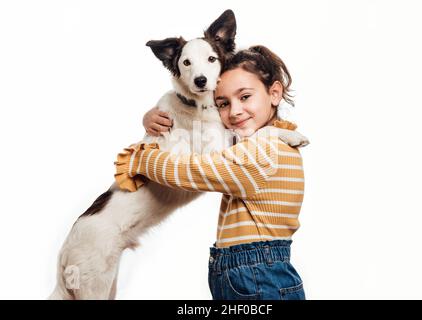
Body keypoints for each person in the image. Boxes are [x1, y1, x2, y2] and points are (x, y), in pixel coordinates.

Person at [115, 45, 308, 300]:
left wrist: (142, 157)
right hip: (247, 273)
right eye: (223, 104)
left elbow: (193, 171)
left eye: (245, 97)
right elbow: (204, 131)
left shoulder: (264, 152)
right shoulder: (257, 143)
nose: (234, 111)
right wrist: (153, 118)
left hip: (260, 277)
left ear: (274, 93)